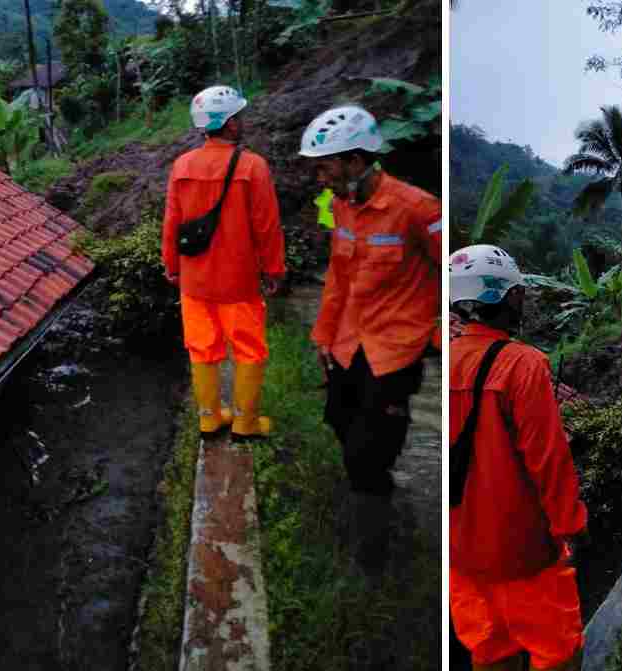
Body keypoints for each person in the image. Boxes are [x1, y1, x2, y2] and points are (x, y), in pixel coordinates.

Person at [298, 104, 441, 575]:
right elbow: (338, 277)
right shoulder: (341, 206)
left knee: (369, 450)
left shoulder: (418, 209)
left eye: (326, 166)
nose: (320, 177)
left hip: (395, 351)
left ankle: (375, 556)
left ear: (357, 161)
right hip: (348, 342)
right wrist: (324, 334)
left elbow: (450, 272)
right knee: (337, 418)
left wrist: (437, 333)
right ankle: (374, 494)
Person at [449, 244, 588, 671]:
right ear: (506, 298)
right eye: (519, 296)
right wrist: (570, 527)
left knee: (489, 651)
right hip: (523, 552)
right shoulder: (523, 365)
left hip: (462, 556)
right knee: (558, 652)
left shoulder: (443, 363)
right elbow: (549, 461)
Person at [161, 85, 285, 439]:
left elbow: (171, 223)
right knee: (248, 349)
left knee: (202, 348)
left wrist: (171, 264)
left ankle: (209, 418)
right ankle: (245, 423)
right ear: (229, 124)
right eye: (238, 117)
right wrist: (274, 269)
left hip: (195, 280)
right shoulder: (252, 166)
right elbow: (267, 225)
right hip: (239, 280)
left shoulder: (182, 166)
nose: (242, 122)